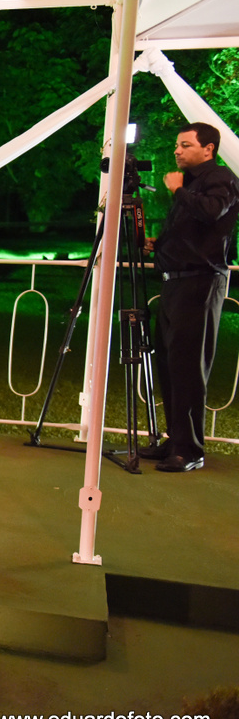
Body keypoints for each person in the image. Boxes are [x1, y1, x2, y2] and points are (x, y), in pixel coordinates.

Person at [140, 122, 238, 472]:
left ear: (208, 149)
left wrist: (179, 191)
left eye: (185, 144)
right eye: (176, 145)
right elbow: (191, 233)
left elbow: (212, 212)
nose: (177, 150)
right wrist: (159, 244)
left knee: (189, 366)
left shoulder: (221, 178)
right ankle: (175, 440)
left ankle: (191, 450)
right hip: (175, 283)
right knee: (169, 362)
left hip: (200, 283)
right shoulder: (192, 185)